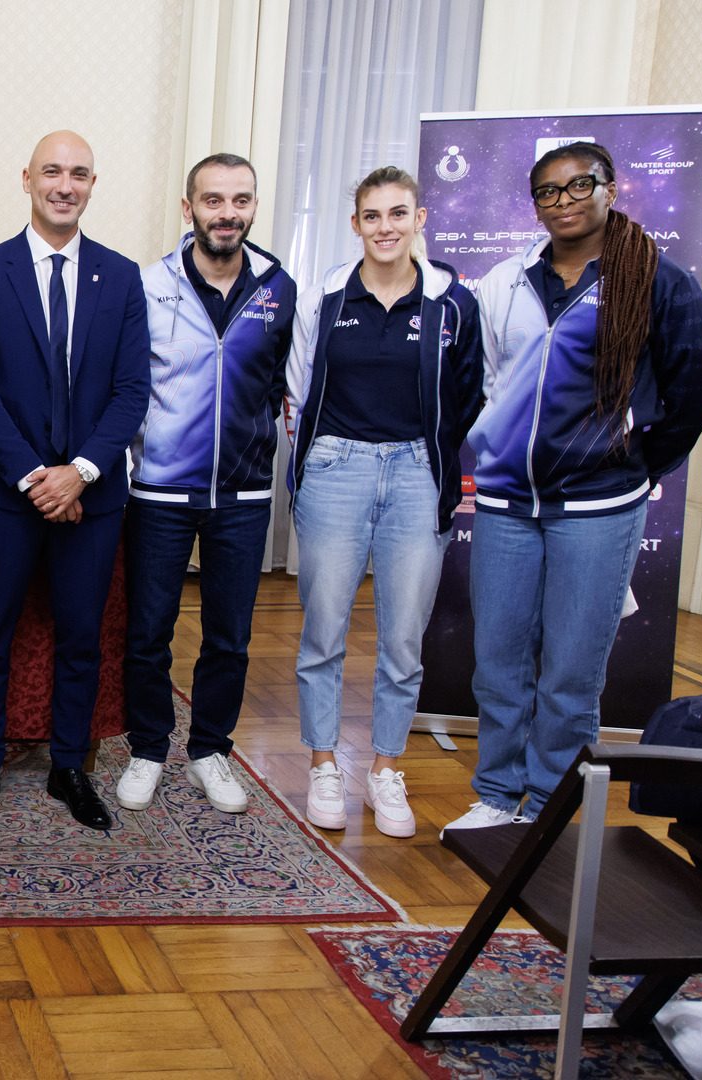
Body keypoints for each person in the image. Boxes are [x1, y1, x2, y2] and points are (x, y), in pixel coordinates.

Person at [448, 141, 702, 830]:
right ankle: (498, 795)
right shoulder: (510, 279)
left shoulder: (657, 281)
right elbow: (486, 382)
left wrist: (633, 463)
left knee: (570, 673)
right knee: (498, 662)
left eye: (578, 186)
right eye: (547, 192)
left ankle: (547, 807)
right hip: (508, 504)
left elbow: (692, 393)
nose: (563, 202)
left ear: (611, 188)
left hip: (597, 509)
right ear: (533, 204)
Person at [0, 130, 152, 831]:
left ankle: (70, 767)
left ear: (93, 185)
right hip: (8, 497)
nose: (64, 185)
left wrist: (81, 474)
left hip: (93, 499)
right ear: (27, 179)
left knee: (81, 640)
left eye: (78, 174)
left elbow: (132, 392)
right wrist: (40, 480)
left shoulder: (122, 276)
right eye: (51, 172)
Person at [284, 166, 481, 838]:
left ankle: (385, 768)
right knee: (324, 629)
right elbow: (298, 387)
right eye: (373, 216)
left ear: (420, 219)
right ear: (356, 224)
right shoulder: (325, 299)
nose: (387, 227)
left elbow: (470, 392)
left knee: (403, 636)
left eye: (399, 214)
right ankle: (324, 764)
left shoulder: (453, 304)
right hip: (335, 465)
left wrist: (430, 460)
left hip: (416, 474)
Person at [115, 153, 296, 817]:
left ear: (252, 207)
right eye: (213, 200)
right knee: (149, 632)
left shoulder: (280, 286)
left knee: (230, 635)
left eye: (240, 200)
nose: (228, 213)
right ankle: (148, 748)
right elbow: (129, 383)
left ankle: (210, 750)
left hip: (244, 494)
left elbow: (286, 384)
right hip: (160, 490)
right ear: (188, 209)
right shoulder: (148, 283)